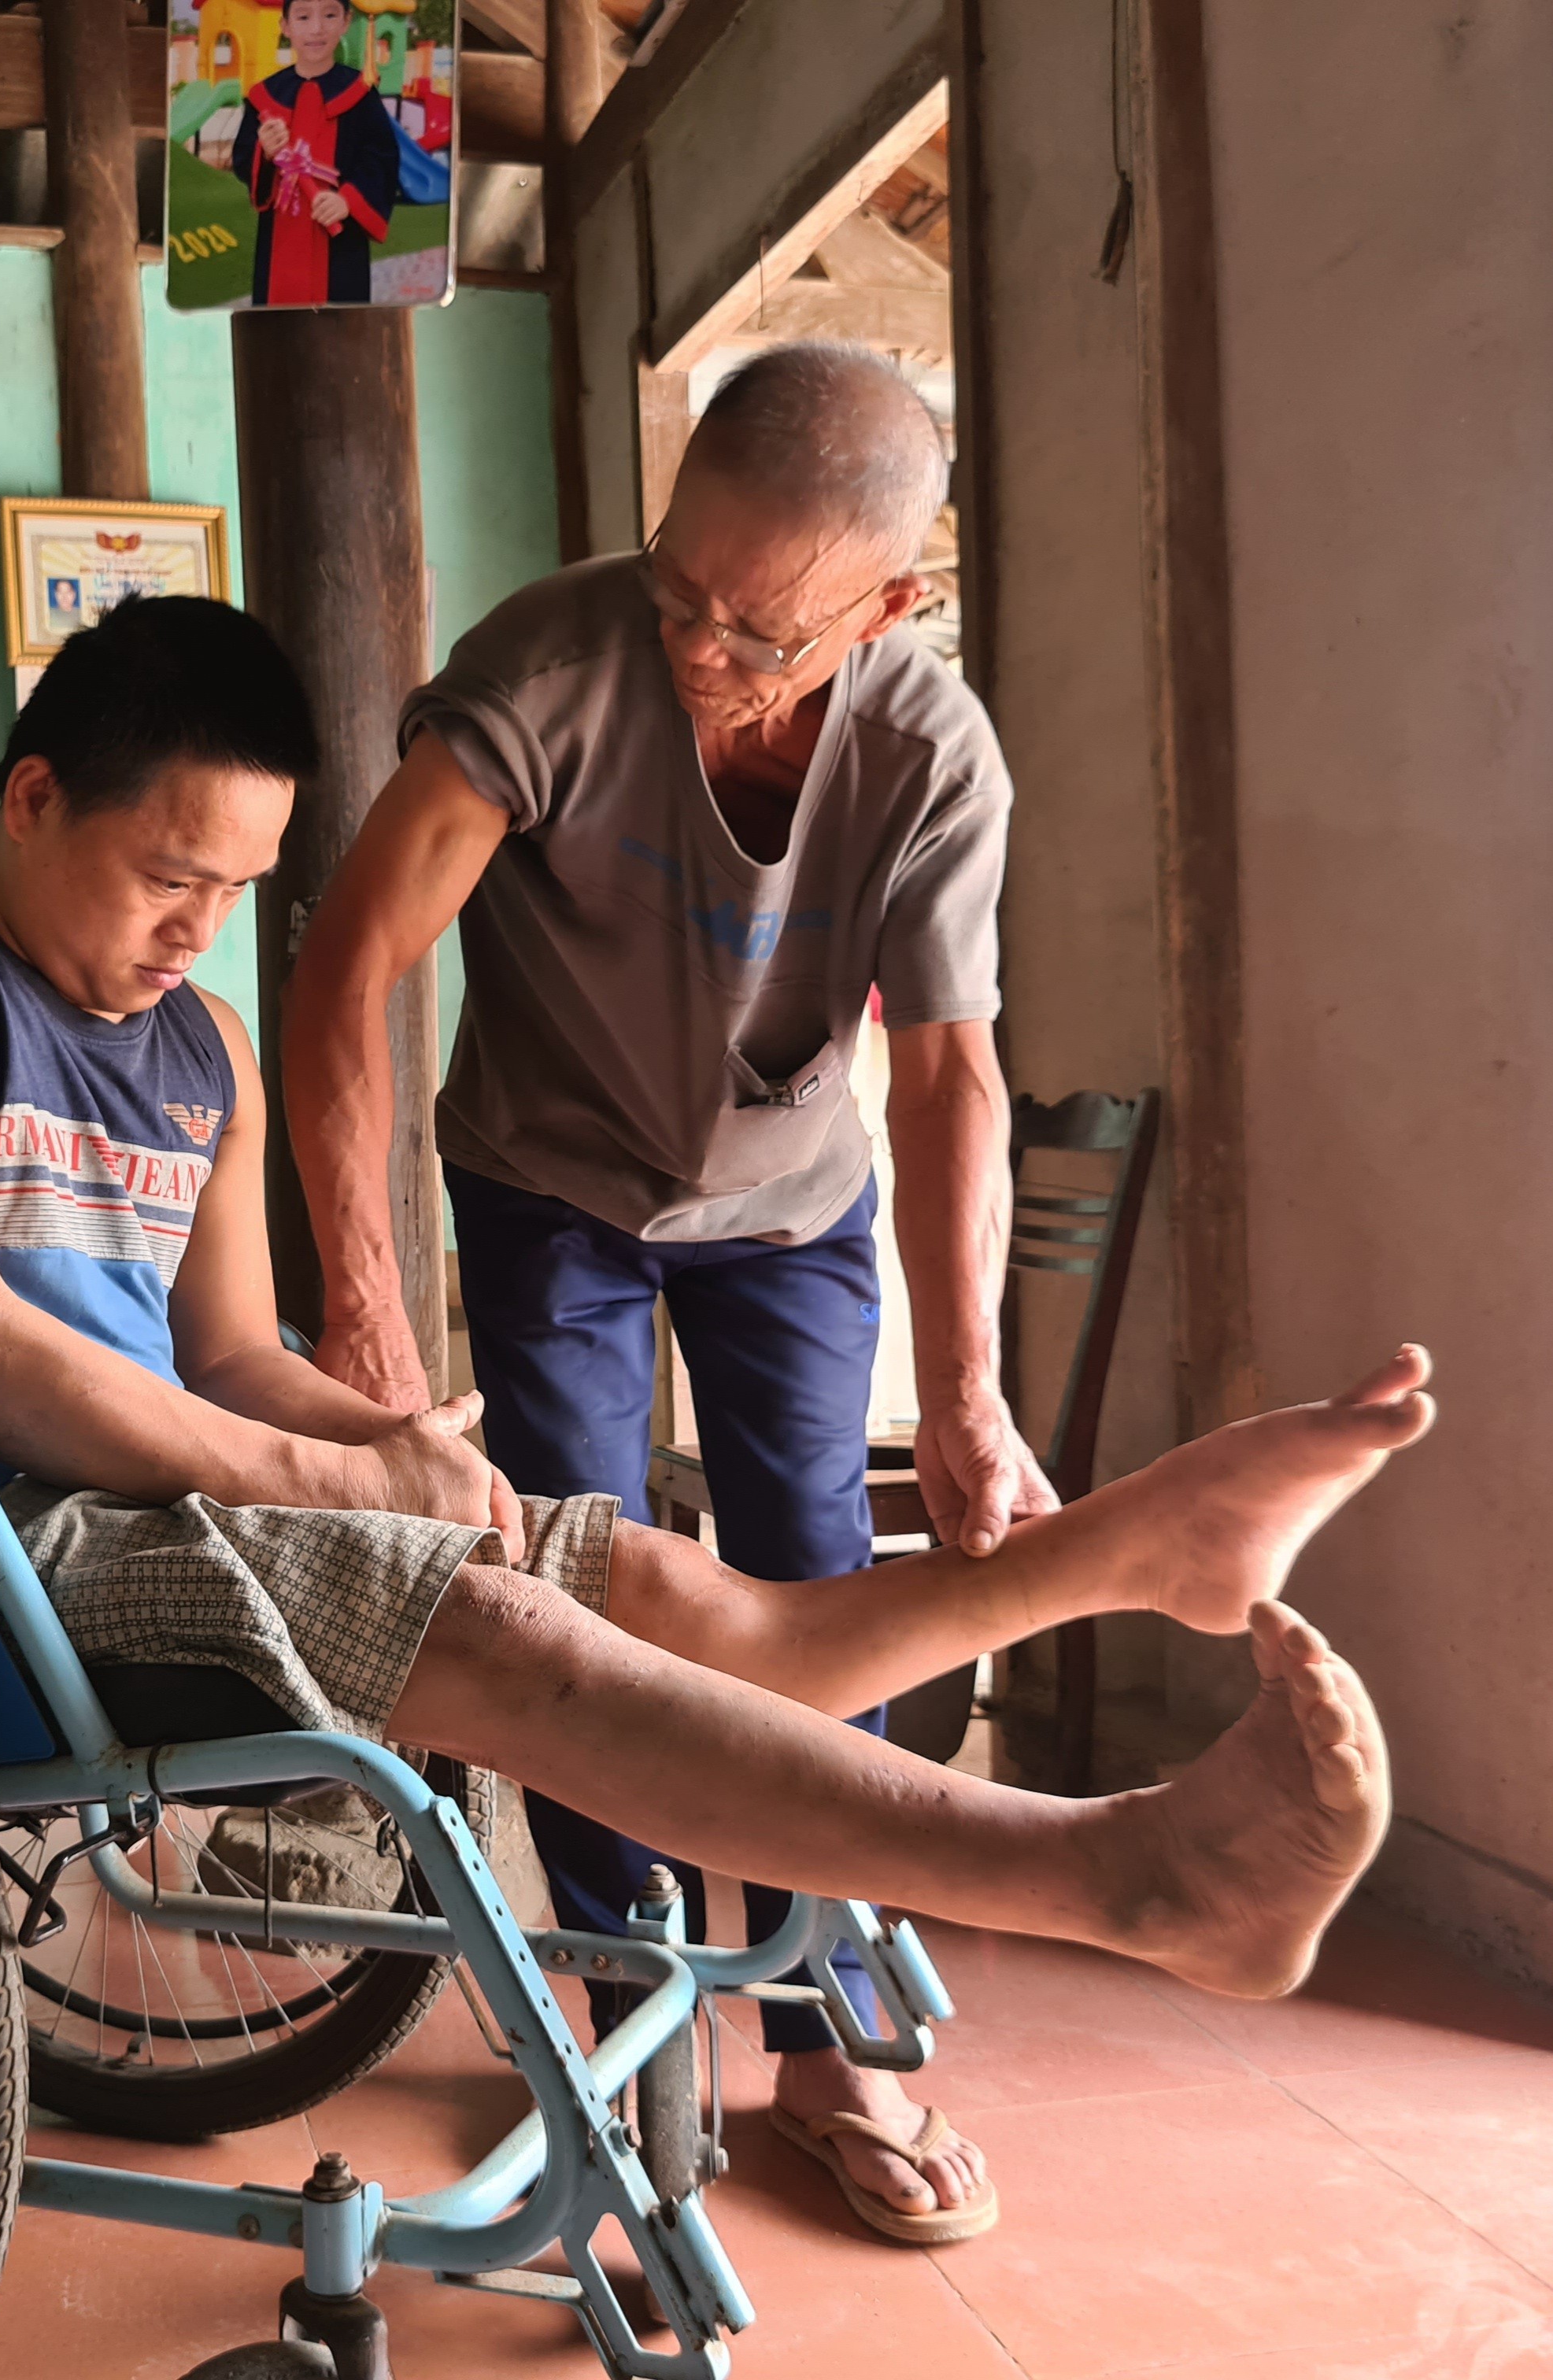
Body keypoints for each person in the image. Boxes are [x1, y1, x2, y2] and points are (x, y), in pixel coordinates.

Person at [0, 597, 1425, 2156]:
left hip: (145, 1508)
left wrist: (387, 1435)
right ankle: (1116, 1876)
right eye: (168, 878)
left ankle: (1121, 1559)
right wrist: (338, 1482)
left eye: (236, 891)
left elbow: (224, 1355)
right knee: (506, 1641)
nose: (196, 934)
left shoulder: (196, 1046)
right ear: (33, 793)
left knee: (657, 1577)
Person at [279, 341, 1037, 2238]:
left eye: (756, 627)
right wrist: (370, 1316)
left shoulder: (931, 754)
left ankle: (833, 2034)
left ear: (890, 603)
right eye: (676, 587)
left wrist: (965, 1394)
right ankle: (621, 2028)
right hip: (547, 1186)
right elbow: (349, 966)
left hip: (787, 1203)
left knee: (814, 1596)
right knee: (582, 1584)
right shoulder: (547, 672)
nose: (698, 646)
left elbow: (947, 1074)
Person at [231, 0, 401, 307]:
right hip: (280, 239)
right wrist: (265, 153)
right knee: (277, 322)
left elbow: (381, 159)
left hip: (340, 241)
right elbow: (244, 160)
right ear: (285, 27)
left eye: (330, 14)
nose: (317, 28)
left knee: (343, 324)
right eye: (304, 17)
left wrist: (348, 200)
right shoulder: (264, 97)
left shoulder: (360, 94)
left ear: (346, 22)